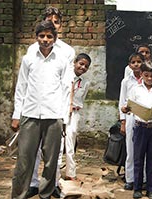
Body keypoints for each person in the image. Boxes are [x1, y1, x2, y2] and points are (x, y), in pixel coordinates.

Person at [11, 20, 71, 199]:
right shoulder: (29, 58)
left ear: (55, 38)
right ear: (36, 37)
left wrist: (64, 119)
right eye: (42, 36)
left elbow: (66, 90)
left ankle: (45, 194)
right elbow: (21, 88)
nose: (45, 39)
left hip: (54, 116)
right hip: (30, 115)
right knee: (24, 160)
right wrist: (16, 115)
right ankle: (19, 195)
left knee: (51, 161)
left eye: (49, 36)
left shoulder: (61, 61)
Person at [26, 6, 76, 198]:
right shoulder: (33, 49)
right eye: (49, 21)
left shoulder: (67, 51)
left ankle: (53, 183)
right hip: (36, 106)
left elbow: (68, 82)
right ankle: (32, 183)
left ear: (60, 26)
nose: (52, 24)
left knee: (55, 149)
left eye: (56, 22)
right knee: (33, 149)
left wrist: (68, 106)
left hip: (57, 106)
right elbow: (28, 79)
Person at [122, 62, 152, 199]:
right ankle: (137, 188)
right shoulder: (135, 89)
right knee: (138, 158)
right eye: (146, 75)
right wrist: (125, 109)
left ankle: (151, 189)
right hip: (139, 127)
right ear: (141, 75)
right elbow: (128, 105)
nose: (149, 78)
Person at [62, 53, 91, 181]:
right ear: (75, 62)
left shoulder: (85, 83)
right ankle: (54, 173)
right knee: (58, 142)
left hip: (74, 113)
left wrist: (74, 108)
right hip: (61, 111)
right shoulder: (65, 77)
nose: (83, 67)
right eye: (81, 64)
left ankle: (71, 172)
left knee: (71, 139)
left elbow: (81, 99)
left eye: (86, 66)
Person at [118, 52, 145, 190]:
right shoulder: (126, 81)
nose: (136, 64)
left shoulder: (148, 78)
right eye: (133, 62)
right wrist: (122, 121)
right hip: (130, 116)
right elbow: (122, 101)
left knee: (143, 149)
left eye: (139, 62)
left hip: (144, 117)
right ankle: (130, 178)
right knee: (130, 148)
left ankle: (143, 178)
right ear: (129, 65)